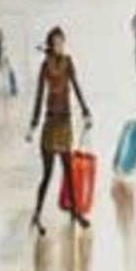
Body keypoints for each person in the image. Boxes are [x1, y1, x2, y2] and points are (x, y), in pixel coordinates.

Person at [26, 26, 91, 233]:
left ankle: (75, 212)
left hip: (65, 123)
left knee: (69, 171)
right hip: (50, 123)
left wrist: (85, 110)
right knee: (47, 174)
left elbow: (77, 86)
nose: (61, 45)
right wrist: (33, 124)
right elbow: (38, 97)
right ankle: (36, 214)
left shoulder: (68, 63)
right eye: (57, 42)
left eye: (62, 41)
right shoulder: (45, 66)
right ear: (51, 45)